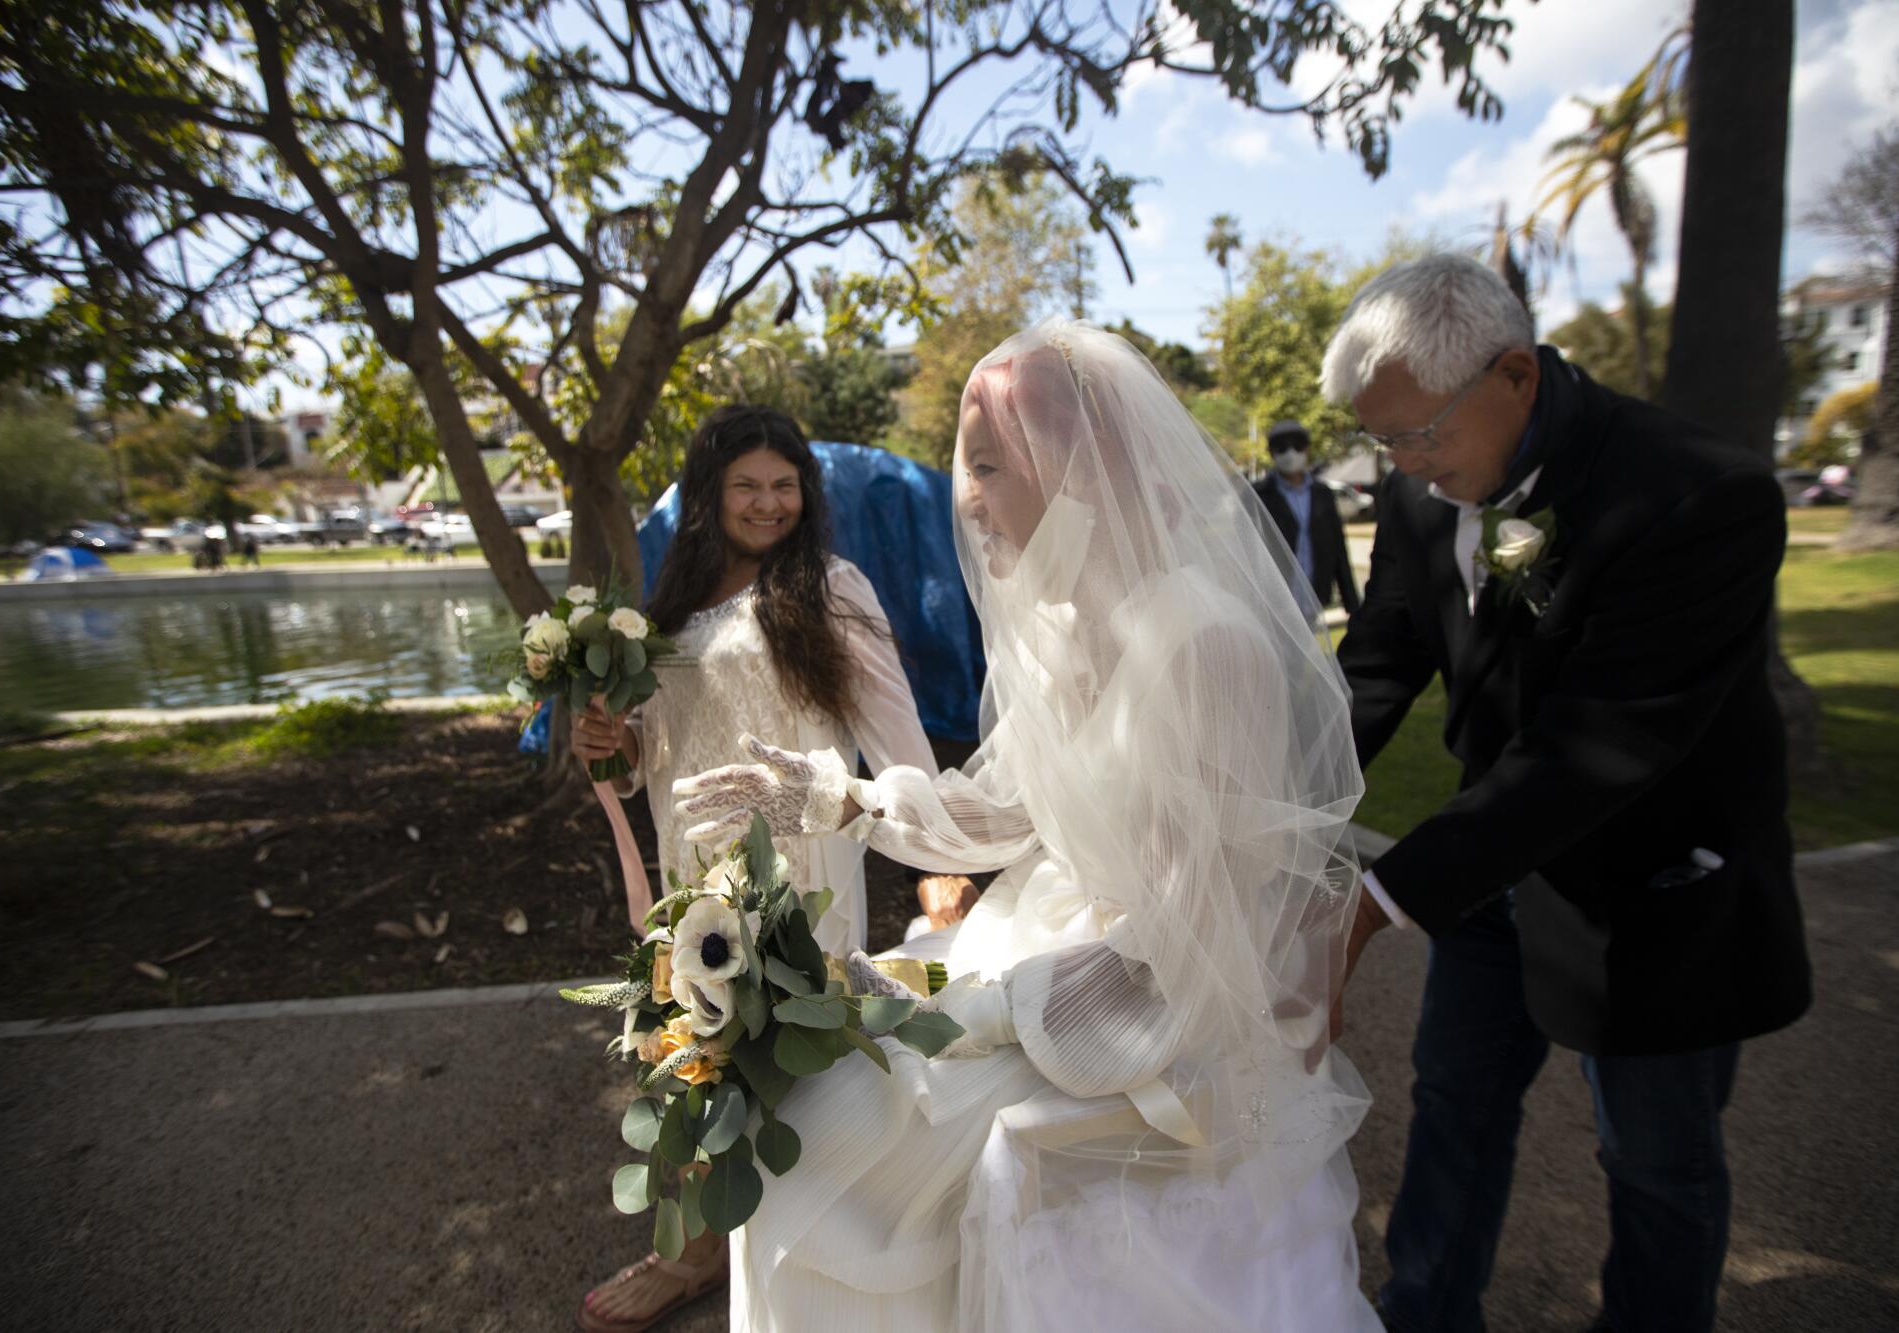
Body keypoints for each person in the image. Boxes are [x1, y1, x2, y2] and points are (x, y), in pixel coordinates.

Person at [672, 323, 1379, 1332]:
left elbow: (1188, 930)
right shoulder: (1059, 624)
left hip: (1153, 1008)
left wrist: (970, 1011)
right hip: (1051, 955)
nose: (966, 499)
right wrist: (845, 797)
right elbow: (1008, 804)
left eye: (989, 467)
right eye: (967, 467)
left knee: (822, 1151)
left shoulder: (1204, 643)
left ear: (1077, 469)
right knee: (809, 1116)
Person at [1322, 255, 1812, 1333]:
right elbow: (1374, 671)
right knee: (1452, 1106)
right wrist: (1263, 793)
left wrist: (1371, 901)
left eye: (1421, 435)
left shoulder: (1696, 493)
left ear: (1515, 375)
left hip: (1648, 891)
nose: (1400, 464)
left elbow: (1597, 745)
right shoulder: (1420, 495)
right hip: (1486, 877)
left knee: (1652, 1158)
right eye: (1382, 440)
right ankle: (1426, 1312)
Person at [569, 404, 974, 1333]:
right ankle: (700, 1253)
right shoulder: (669, 604)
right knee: (692, 1059)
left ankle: (807, 1266)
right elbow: (649, 759)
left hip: (792, 868)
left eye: (783, 484)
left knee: (792, 1071)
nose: (767, 502)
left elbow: (899, 743)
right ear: (708, 494)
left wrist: (935, 858)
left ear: (806, 492)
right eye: (746, 484)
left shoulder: (831, 588)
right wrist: (615, 742)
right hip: (690, 869)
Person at [1252, 419, 1360, 613]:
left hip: (1313, 594)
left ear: (1307, 449)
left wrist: (1351, 602)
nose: (1290, 453)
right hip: (1272, 599)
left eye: (1297, 446)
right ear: (1271, 452)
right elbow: (1247, 548)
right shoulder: (1259, 495)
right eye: (1282, 448)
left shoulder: (1322, 493)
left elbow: (1337, 546)